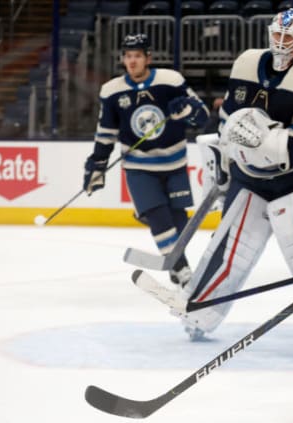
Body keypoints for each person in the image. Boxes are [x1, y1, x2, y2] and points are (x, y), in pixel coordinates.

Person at [177, 8, 293, 340]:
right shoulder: (245, 62)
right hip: (249, 178)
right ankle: (199, 314)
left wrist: (264, 140)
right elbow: (229, 117)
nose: (282, 42)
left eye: (289, 37)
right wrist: (229, 156)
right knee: (229, 250)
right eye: (278, 34)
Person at [83, 33, 209, 287]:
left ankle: (170, 252)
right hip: (139, 166)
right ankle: (182, 270)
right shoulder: (112, 91)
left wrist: (188, 111)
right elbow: (106, 132)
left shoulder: (170, 81)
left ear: (148, 58)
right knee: (158, 215)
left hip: (174, 163)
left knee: (179, 221)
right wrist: (98, 162)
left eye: (138, 56)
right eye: (128, 56)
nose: (132, 61)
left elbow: (202, 115)